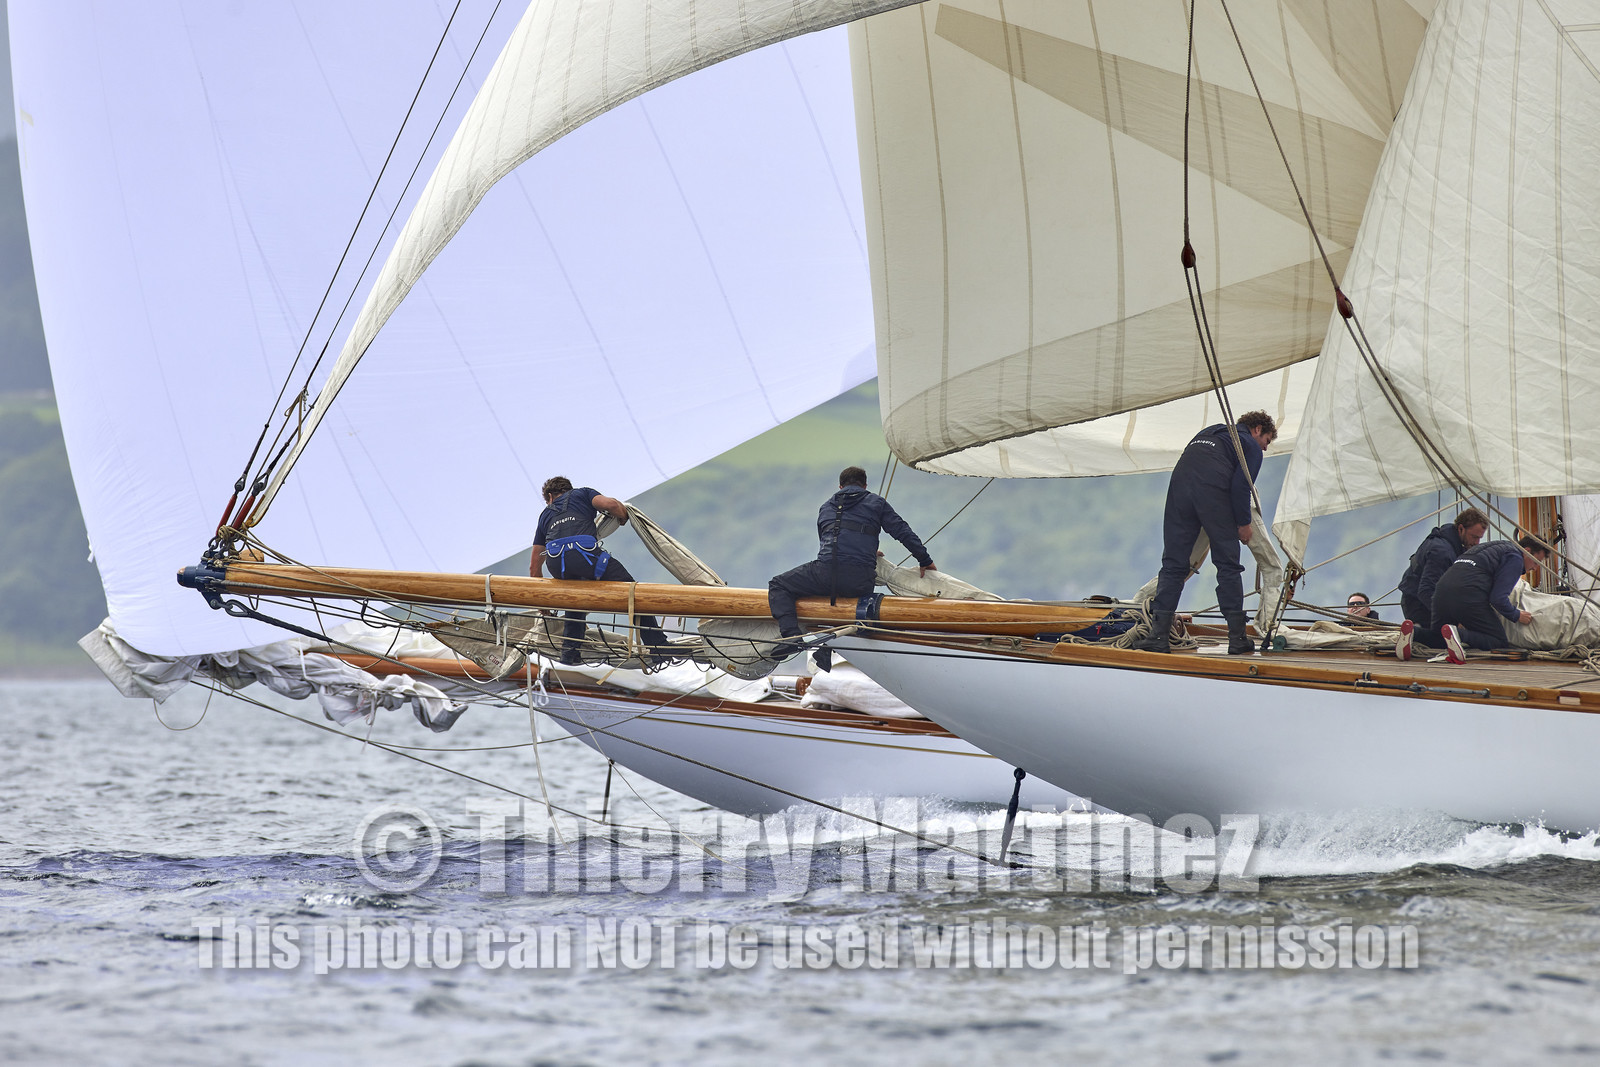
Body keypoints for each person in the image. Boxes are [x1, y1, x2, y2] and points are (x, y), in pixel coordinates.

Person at [1133, 411, 1277, 656]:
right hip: (1213, 489)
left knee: (1173, 565)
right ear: (1257, 429)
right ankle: (1237, 639)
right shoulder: (1249, 445)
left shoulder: (1209, 432)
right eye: (1267, 440)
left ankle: (1158, 637)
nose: (1265, 448)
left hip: (1179, 487)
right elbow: (1241, 486)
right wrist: (1244, 523)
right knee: (1227, 564)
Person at [767, 466, 935, 659]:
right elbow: (903, 532)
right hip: (860, 581)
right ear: (865, 485)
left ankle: (792, 636)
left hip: (826, 575)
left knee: (779, 584)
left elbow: (830, 543)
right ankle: (827, 648)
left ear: (840, 486)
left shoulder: (826, 506)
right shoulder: (876, 503)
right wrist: (925, 560)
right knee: (845, 591)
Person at [532, 476, 669, 666]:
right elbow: (611, 505)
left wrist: (541, 603)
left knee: (575, 598)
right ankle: (658, 647)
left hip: (558, 566)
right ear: (568, 489)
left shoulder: (545, 515)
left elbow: (534, 566)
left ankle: (570, 652)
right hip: (585, 557)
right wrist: (622, 516)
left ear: (549, 497)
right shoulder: (582, 493)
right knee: (633, 593)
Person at [1428, 535, 1551, 665]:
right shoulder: (1515, 558)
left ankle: (1415, 633)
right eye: (1536, 562)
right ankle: (1458, 634)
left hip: (1441, 592)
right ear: (1527, 551)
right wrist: (1517, 615)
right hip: (1468, 595)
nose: (1535, 568)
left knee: (1438, 639)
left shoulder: (1496, 547)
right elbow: (1498, 598)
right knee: (1498, 641)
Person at [1396, 507, 1488, 656]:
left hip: (1425, 599)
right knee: (1448, 637)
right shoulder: (1442, 552)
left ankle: (1415, 633)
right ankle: (1414, 633)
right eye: (1474, 537)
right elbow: (1426, 591)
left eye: (1479, 538)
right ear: (1461, 529)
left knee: (1456, 632)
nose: (1476, 543)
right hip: (1418, 603)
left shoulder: (1451, 544)